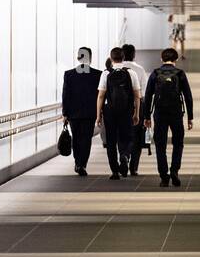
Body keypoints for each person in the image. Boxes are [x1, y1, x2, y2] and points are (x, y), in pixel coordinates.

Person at [142, 48, 194, 187]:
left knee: (160, 145)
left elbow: (148, 97)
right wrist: (190, 117)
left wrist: (146, 117)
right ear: (176, 59)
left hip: (159, 113)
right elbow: (188, 97)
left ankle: (164, 176)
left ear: (161, 59)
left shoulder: (155, 73)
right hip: (176, 113)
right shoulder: (180, 73)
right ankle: (175, 171)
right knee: (178, 143)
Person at [95, 47, 143, 179]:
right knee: (126, 137)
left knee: (111, 140)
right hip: (126, 110)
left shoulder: (106, 73)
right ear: (123, 58)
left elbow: (100, 96)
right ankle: (125, 155)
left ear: (111, 58)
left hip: (110, 111)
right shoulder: (131, 73)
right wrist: (137, 113)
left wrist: (98, 115)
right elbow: (137, 96)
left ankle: (115, 171)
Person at [61, 46, 101, 176]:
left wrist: (65, 113)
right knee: (86, 138)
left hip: (73, 113)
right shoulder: (97, 74)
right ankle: (82, 164)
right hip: (90, 113)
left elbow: (66, 95)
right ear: (90, 57)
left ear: (78, 57)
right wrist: (100, 113)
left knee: (76, 138)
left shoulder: (69, 74)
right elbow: (100, 95)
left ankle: (78, 162)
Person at [121, 44, 150, 176]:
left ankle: (124, 154)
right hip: (137, 106)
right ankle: (133, 167)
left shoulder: (116, 69)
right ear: (134, 55)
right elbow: (143, 93)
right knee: (137, 137)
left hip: (119, 108)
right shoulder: (139, 70)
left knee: (122, 134)